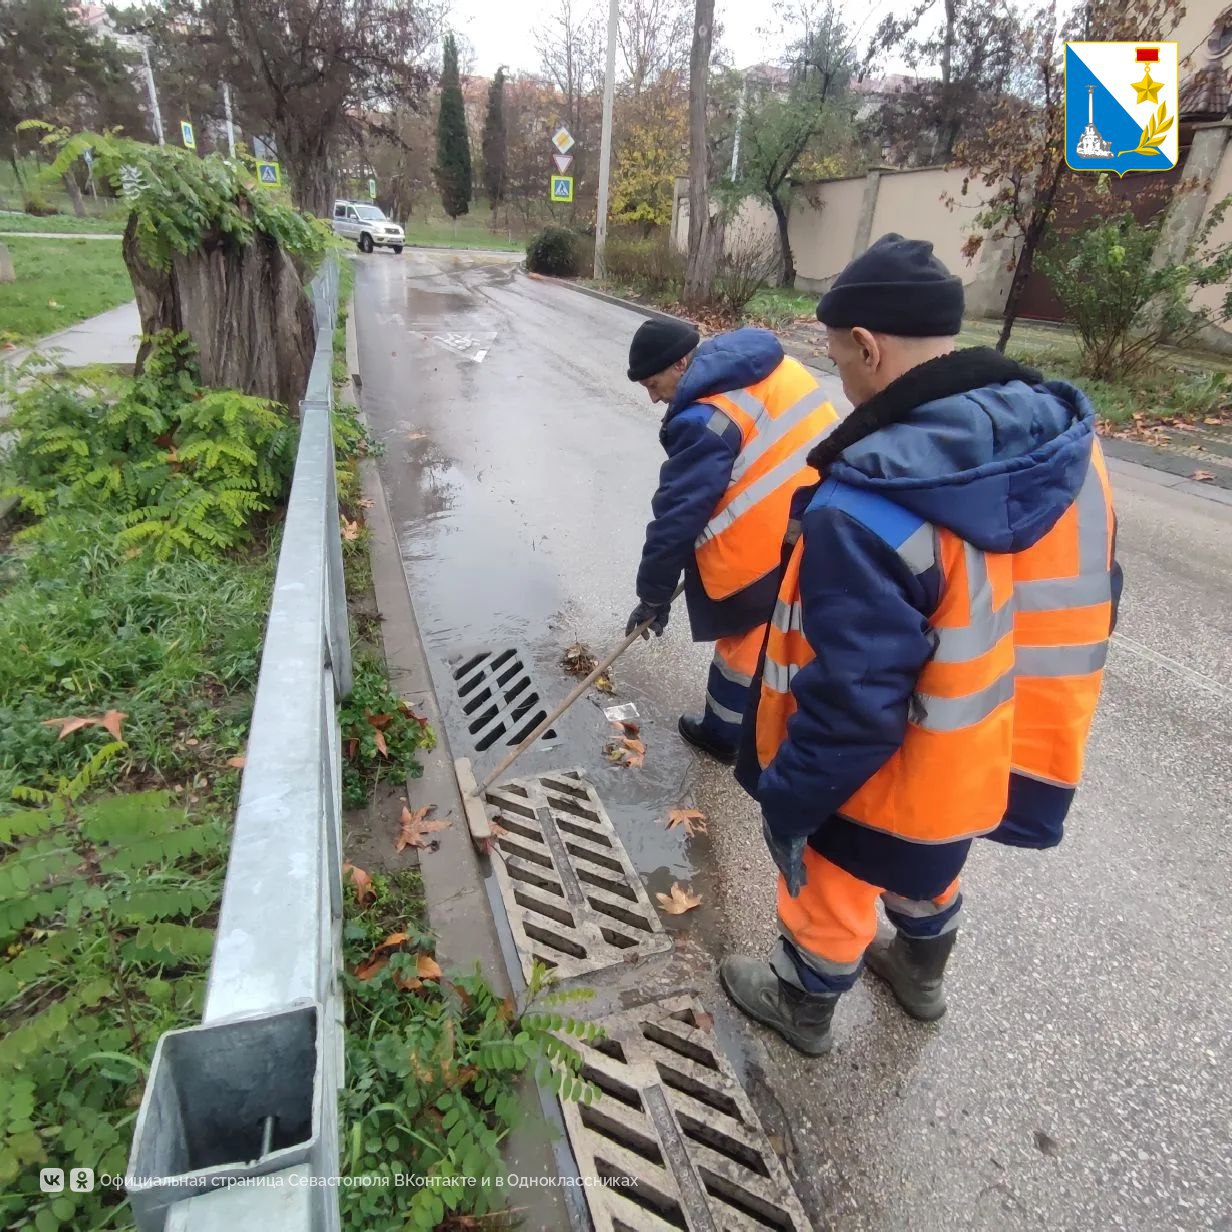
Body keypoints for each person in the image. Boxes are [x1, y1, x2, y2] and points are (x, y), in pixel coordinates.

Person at [720, 234, 1122, 1055]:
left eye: (839, 360)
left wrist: (790, 803)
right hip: (985, 743)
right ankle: (921, 972)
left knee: (833, 867)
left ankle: (803, 997)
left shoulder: (865, 503)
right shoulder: (1067, 451)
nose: (841, 378)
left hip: (878, 763)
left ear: (867, 347)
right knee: (929, 851)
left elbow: (850, 710)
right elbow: (1096, 593)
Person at [624, 317, 837, 763]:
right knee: (793, 635)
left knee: (743, 640)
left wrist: (653, 596)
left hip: (769, 541)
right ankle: (782, 725)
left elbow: (676, 518)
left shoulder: (706, 420)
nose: (652, 396)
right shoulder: (771, 368)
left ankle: (723, 734)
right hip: (827, 513)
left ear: (682, 363)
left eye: (654, 382)